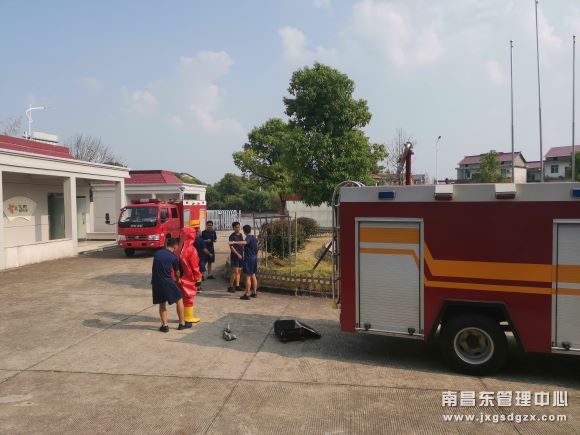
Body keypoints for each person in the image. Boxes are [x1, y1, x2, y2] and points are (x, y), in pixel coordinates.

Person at [151, 238, 190, 332]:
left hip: (155, 282)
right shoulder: (173, 257)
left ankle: (165, 326)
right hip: (167, 282)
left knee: (162, 303)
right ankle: (182, 324)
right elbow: (177, 272)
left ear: (167, 244)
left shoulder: (157, 253)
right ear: (175, 246)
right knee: (179, 300)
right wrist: (178, 279)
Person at [177, 228, 203, 323]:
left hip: (178, 276)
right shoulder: (191, 249)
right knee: (189, 297)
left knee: (181, 297)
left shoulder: (177, 248)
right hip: (189, 277)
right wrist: (198, 278)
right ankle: (188, 317)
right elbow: (195, 266)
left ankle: (182, 316)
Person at [231, 224, 258, 300]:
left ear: (244, 231)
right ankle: (254, 293)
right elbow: (248, 245)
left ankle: (247, 294)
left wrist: (234, 242)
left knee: (248, 277)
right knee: (253, 275)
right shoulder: (254, 237)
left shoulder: (248, 237)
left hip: (249, 259)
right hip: (254, 258)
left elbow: (245, 242)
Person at [228, 221, 244, 293]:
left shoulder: (240, 235)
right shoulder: (232, 236)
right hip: (235, 255)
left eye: (239, 227)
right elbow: (231, 247)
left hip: (241, 254)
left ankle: (237, 285)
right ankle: (230, 286)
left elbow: (242, 243)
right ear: (233, 228)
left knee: (239, 271)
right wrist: (237, 254)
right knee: (235, 271)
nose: (238, 228)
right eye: (236, 227)